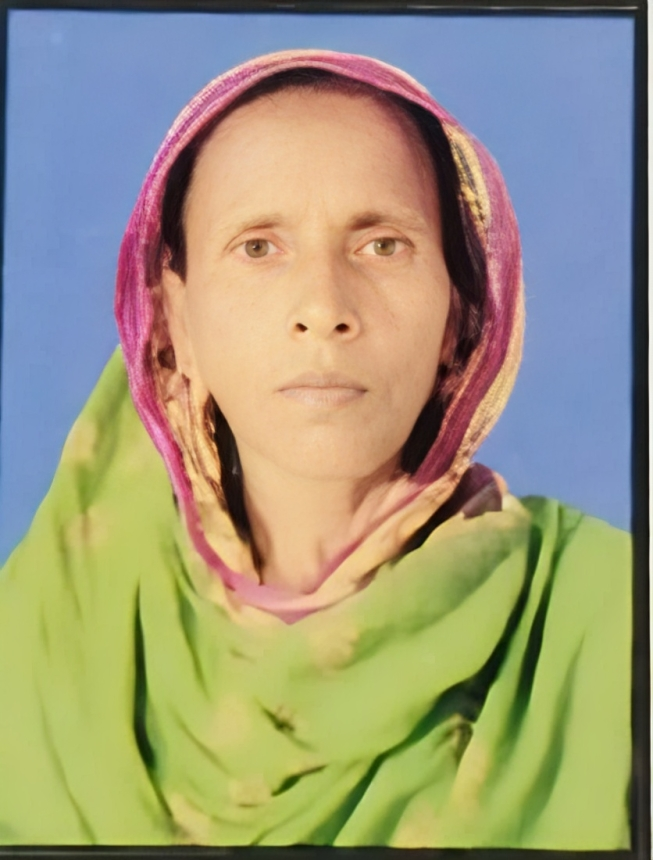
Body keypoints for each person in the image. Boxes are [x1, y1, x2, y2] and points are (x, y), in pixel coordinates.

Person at [0, 50, 631, 848]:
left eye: (382, 246)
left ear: (459, 315)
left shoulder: (608, 621)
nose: (323, 308)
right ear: (176, 323)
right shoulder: (44, 637)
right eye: (258, 247)